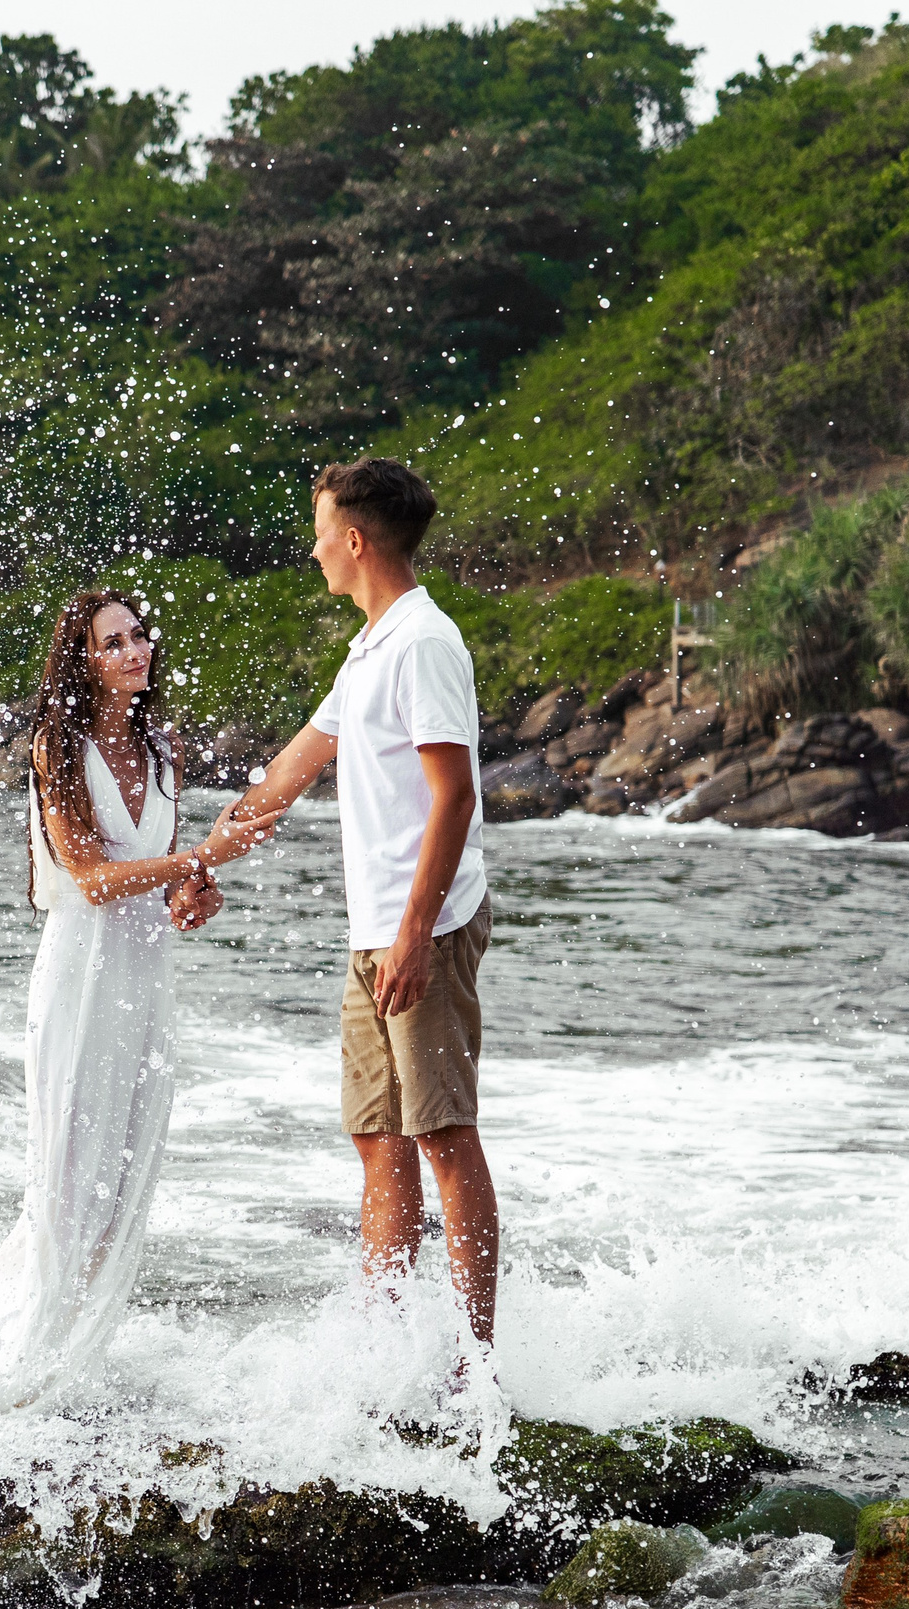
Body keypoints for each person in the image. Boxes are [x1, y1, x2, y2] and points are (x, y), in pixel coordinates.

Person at [0, 588, 280, 1410]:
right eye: (114, 642)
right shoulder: (55, 749)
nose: (136, 650)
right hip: (79, 979)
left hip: (146, 983)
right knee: (68, 1173)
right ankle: (15, 1363)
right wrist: (200, 855)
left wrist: (196, 893)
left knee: (125, 1173)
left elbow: (165, 881)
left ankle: (75, 1361)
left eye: (139, 635)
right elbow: (94, 881)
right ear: (84, 660)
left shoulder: (164, 749)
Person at [219, 457, 500, 1358]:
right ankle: (385, 1353)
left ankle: (473, 1368)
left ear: (353, 539)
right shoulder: (370, 647)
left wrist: (417, 935)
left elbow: (454, 797)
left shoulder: (424, 642)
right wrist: (195, 860)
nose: (311, 553)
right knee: (378, 1141)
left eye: (318, 535)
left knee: (444, 1139)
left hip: (427, 929)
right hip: (372, 935)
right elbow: (289, 775)